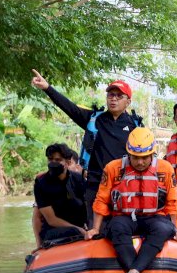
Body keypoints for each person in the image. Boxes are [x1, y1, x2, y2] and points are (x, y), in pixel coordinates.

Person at [31, 69, 143, 226]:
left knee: (123, 226)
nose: (114, 99)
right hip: (95, 182)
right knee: (95, 227)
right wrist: (47, 88)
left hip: (124, 183)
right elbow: (70, 108)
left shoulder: (135, 125)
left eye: (119, 96)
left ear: (128, 101)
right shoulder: (94, 119)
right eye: (111, 95)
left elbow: (144, 157)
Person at [85, 128, 177, 273]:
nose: (140, 162)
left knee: (163, 229)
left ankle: (133, 272)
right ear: (128, 154)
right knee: (116, 227)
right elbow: (101, 200)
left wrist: (175, 229)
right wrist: (95, 228)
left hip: (155, 217)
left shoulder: (166, 169)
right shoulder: (113, 168)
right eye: (135, 158)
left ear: (152, 154)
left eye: (144, 158)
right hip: (124, 217)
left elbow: (172, 203)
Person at [33, 143, 87, 245]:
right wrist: (38, 243)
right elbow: (51, 220)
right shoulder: (41, 183)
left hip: (78, 226)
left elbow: (88, 205)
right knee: (74, 231)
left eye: (58, 160)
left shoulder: (78, 179)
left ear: (68, 162)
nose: (53, 163)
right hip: (53, 231)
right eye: (50, 159)